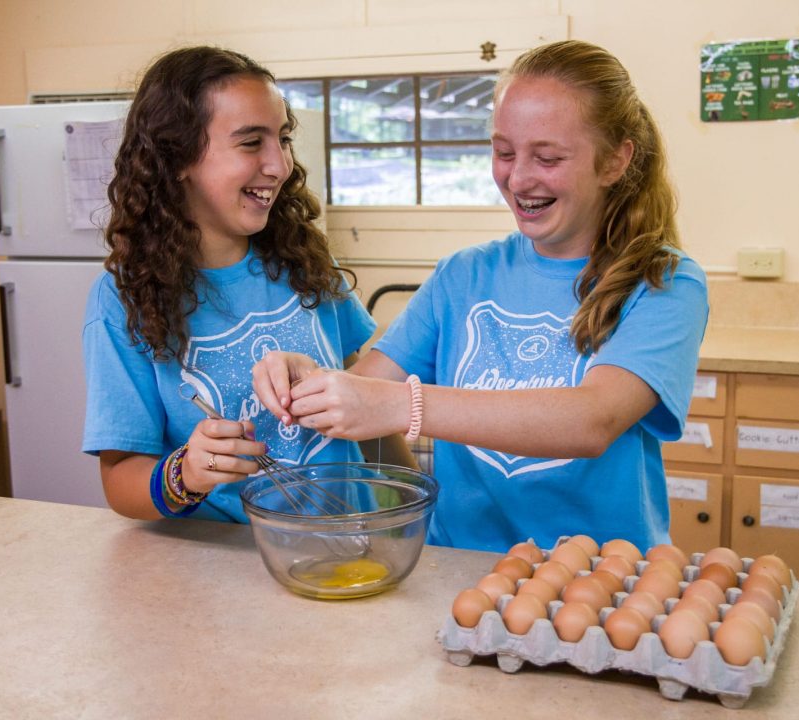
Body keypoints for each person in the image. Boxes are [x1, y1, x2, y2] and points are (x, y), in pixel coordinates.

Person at [252, 39, 709, 553]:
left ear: (615, 161)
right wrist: (309, 384)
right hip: (459, 571)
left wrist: (405, 405)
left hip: (602, 578)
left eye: (549, 157)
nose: (517, 178)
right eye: (503, 151)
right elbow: (366, 391)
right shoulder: (462, 276)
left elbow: (592, 419)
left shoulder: (664, 282)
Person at [82, 46, 412, 522]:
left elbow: (368, 408)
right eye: (251, 142)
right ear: (178, 157)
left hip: (346, 544)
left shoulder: (306, 259)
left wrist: (410, 510)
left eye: (282, 138)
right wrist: (186, 473)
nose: (278, 165)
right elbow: (120, 482)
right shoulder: (123, 298)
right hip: (223, 571)